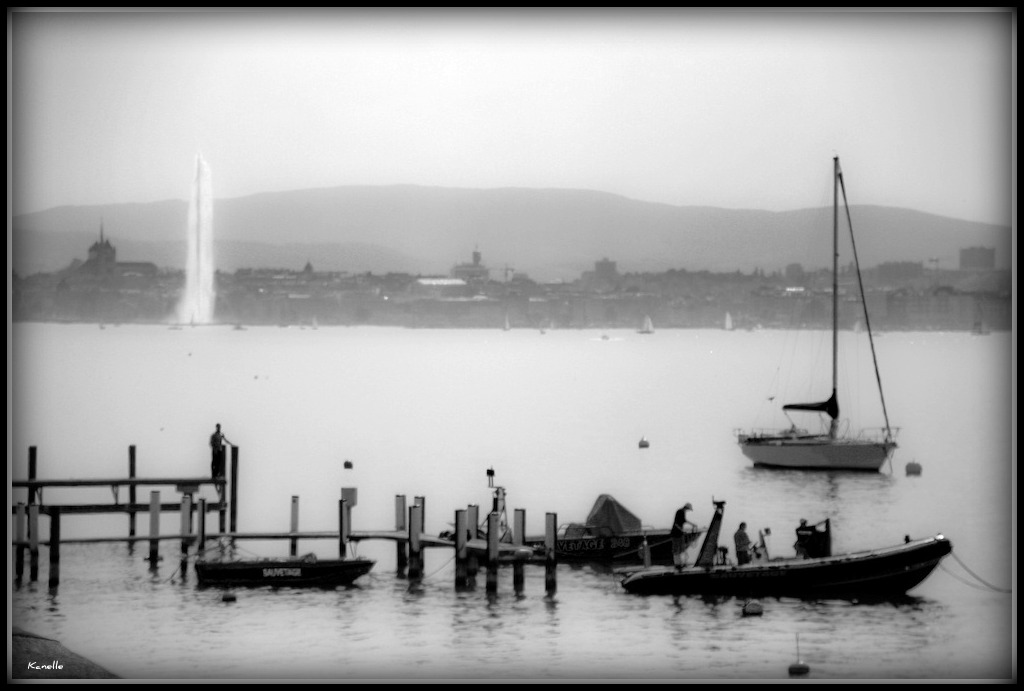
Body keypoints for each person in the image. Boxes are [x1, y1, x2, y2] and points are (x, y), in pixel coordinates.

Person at [670, 502, 698, 567]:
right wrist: (681, 530)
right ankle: (677, 564)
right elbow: (676, 523)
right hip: (676, 533)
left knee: (680, 549)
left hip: (679, 533)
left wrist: (692, 524)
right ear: (687, 508)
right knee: (676, 549)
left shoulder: (682, 512)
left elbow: (684, 520)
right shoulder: (680, 512)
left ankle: (680, 563)